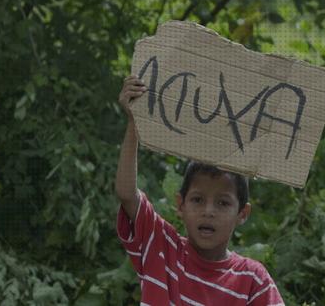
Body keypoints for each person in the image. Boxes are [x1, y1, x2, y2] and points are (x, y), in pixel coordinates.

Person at [115, 76, 285, 305]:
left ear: (242, 214)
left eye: (223, 203)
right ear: (180, 205)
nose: (209, 211)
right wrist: (134, 121)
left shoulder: (253, 279)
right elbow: (127, 194)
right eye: (197, 200)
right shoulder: (161, 246)